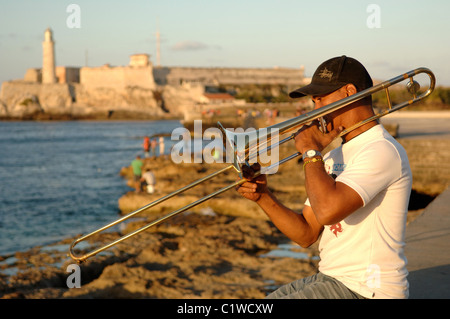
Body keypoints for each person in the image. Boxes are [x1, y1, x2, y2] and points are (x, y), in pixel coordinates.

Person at [236, 56, 412, 299]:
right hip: (332, 278)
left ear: (350, 92)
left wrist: (310, 152)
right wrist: (262, 196)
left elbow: (329, 211)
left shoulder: (381, 150)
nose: (315, 109)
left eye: (320, 99)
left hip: (367, 289)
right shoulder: (333, 156)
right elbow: (307, 233)